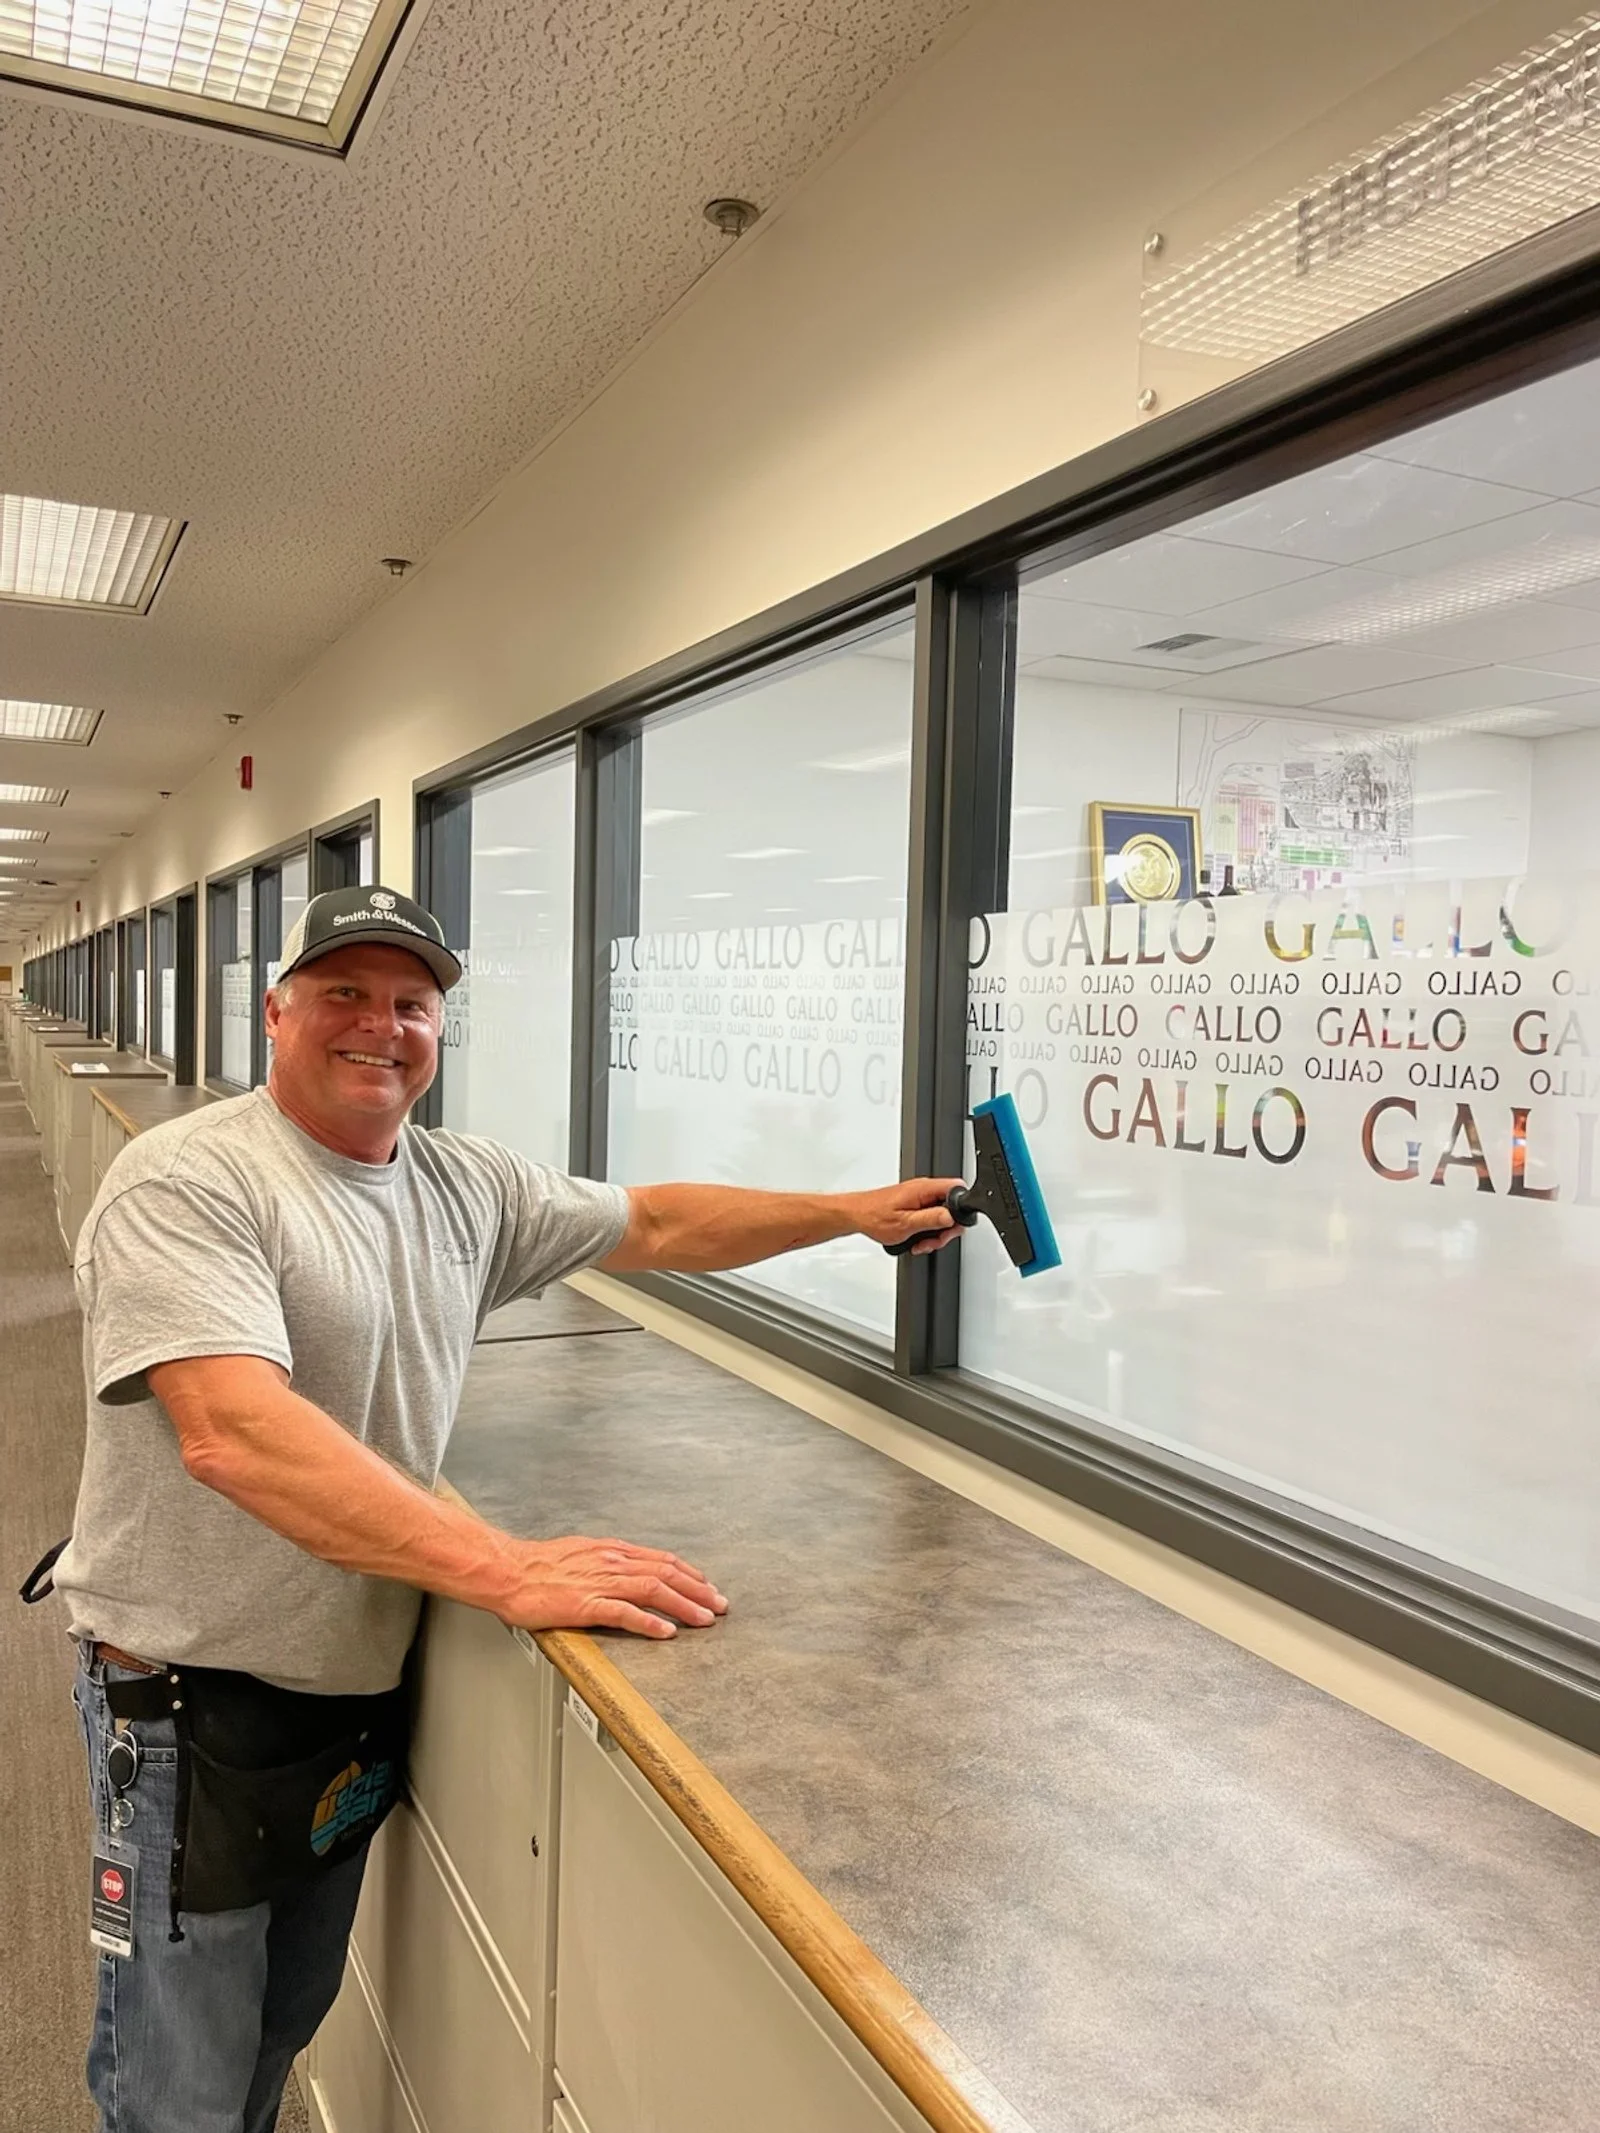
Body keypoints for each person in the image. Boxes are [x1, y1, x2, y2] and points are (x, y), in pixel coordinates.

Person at [40, 884, 960, 2133]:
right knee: (175, 2085)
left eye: (411, 1003)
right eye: (344, 995)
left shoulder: (461, 1187)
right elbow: (231, 1432)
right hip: (184, 1699)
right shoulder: (190, 1181)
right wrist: (502, 1567)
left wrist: (848, 1216)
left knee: (270, 2043)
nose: (382, 1024)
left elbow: (657, 1219)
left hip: (337, 1692)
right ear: (277, 1012)